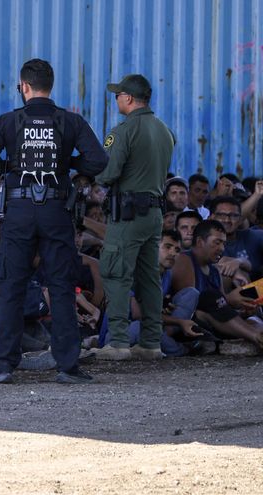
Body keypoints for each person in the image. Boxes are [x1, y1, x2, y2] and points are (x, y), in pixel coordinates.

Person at [0, 58, 108, 383]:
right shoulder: (70, 121)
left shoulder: (8, 121)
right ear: (51, 85)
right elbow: (99, 158)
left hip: (19, 211)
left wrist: (8, 171)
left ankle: (3, 366)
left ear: (24, 87)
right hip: (56, 209)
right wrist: (67, 165)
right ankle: (67, 367)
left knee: (12, 286)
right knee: (61, 285)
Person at [95, 74, 176, 361]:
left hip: (127, 214)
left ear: (128, 98)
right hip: (154, 213)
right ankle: (151, 341)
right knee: (148, 278)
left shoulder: (123, 130)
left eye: (118, 95)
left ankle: (117, 342)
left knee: (116, 273)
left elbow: (108, 173)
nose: (116, 99)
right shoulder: (164, 130)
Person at [170, 220, 263, 351]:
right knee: (209, 297)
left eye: (223, 244)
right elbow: (190, 305)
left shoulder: (214, 270)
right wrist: (230, 299)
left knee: (254, 319)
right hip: (188, 324)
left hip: (214, 321)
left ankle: (252, 337)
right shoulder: (184, 260)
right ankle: (256, 337)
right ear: (200, 242)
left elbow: (222, 305)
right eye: (217, 243)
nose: (222, 248)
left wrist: (241, 310)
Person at [210, 196, 263, 280]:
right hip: (226, 291)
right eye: (222, 215)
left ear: (240, 219)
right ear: (212, 217)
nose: (227, 220)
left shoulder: (254, 236)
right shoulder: (205, 244)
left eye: (233, 216)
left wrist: (240, 261)